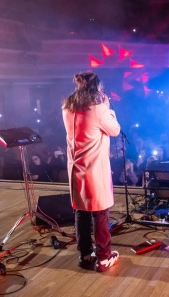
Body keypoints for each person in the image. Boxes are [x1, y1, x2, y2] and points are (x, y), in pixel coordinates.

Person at [62, 71, 121, 273]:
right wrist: (107, 107)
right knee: (100, 213)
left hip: (76, 168)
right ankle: (104, 258)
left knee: (81, 212)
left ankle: (85, 255)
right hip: (95, 170)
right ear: (97, 87)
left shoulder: (67, 107)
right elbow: (115, 130)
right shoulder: (99, 109)